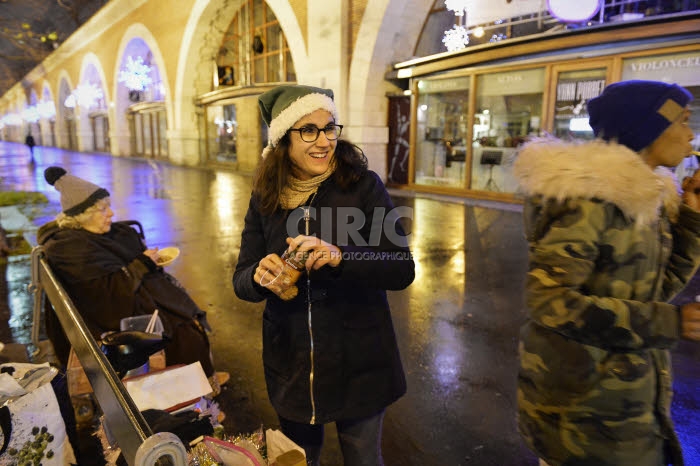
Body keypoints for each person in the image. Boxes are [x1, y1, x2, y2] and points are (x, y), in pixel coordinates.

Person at [513, 79, 700, 466]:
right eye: (682, 120)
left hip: (625, 405)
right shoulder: (592, 200)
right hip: (583, 415)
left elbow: (656, 289)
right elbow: (549, 301)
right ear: (649, 128)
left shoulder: (648, 197)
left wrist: (693, 218)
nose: (690, 133)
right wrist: (669, 322)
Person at [233, 84, 414, 466]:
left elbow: (401, 268)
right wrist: (259, 276)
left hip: (360, 359)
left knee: (363, 457)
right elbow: (241, 279)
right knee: (299, 459)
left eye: (330, 128)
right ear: (284, 138)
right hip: (293, 362)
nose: (324, 141)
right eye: (309, 130)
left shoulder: (363, 186)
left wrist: (340, 256)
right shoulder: (266, 195)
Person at [37, 166, 229, 393]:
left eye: (108, 206)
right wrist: (142, 263)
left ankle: (202, 378)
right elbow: (107, 298)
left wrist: (142, 261)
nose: (111, 213)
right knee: (183, 329)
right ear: (82, 216)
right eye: (102, 209)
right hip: (107, 317)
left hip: (117, 303)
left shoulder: (85, 239)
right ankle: (194, 391)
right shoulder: (74, 250)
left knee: (183, 314)